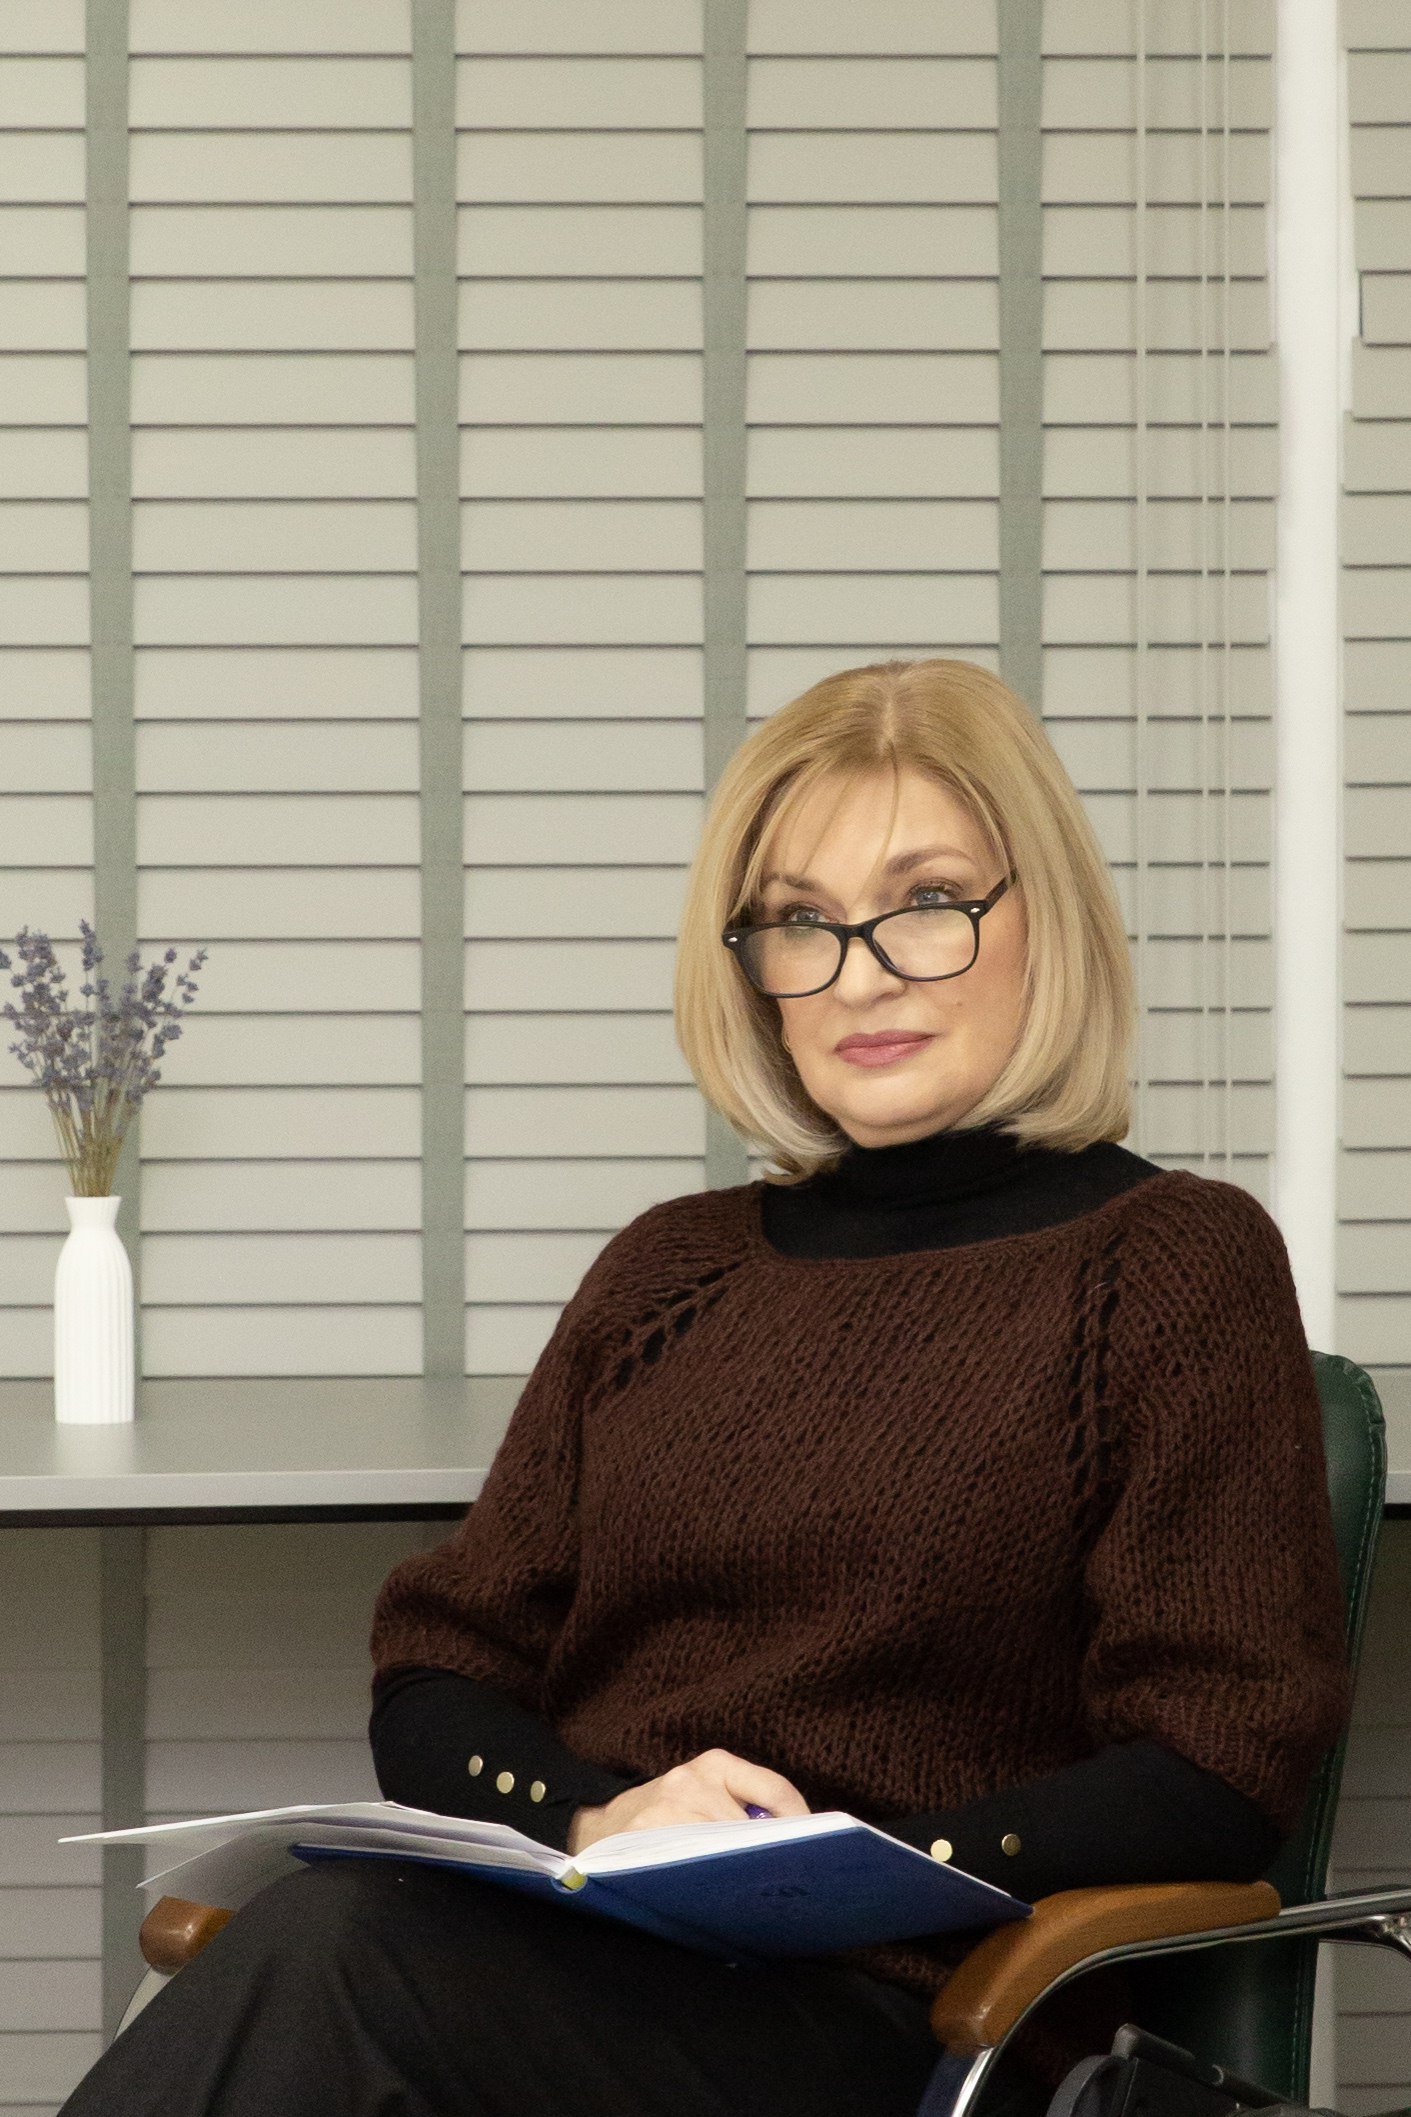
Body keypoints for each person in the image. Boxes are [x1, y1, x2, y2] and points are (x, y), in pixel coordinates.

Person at [61, 658, 1351, 2117]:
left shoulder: (1166, 1261)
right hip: (591, 1957)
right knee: (334, 1944)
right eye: (800, 920)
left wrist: (842, 1867)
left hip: (903, 2016)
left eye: (927, 900)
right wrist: (597, 1818)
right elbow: (439, 1675)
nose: (859, 972)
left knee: (338, 1963)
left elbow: (1215, 1761)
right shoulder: (666, 1274)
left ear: (1042, 919)